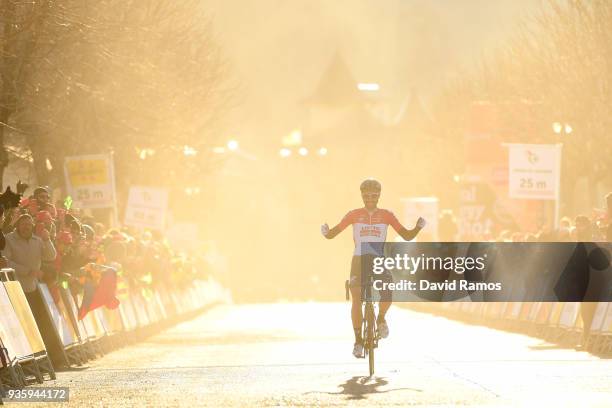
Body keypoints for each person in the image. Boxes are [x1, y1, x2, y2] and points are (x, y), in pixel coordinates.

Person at [321, 178, 426, 358]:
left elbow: (407, 236)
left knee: (387, 290)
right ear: (362, 196)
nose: (370, 198)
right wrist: (326, 232)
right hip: (359, 260)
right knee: (356, 297)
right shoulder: (353, 214)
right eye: (366, 195)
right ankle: (358, 341)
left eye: (374, 195)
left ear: (379, 196)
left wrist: (417, 228)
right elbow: (333, 233)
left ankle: (381, 318)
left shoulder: (387, 215)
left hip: (378, 259)